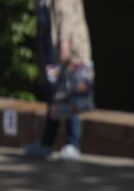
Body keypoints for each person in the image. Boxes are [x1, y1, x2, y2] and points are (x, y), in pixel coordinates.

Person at [23, 0, 94, 161]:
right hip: (52, 53)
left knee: (71, 96)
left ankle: (73, 144)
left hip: (68, 51)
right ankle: (46, 143)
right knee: (55, 97)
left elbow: (66, 15)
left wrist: (65, 45)